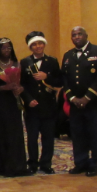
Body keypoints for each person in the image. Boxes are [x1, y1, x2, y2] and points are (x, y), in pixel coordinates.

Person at [62, 26, 97, 176]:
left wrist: (87, 97)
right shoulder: (68, 55)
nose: (77, 37)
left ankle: (95, 163)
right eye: (74, 35)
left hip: (94, 102)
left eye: (79, 34)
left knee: (96, 134)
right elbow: (65, 79)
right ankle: (81, 162)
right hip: (76, 104)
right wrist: (72, 98)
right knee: (78, 134)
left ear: (86, 35)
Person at [20, 31, 61, 174]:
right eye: (35, 44)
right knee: (32, 137)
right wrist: (28, 99)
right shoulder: (25, 62)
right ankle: (32, 163)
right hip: (32, 106)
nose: (38, 46)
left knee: (48, 137)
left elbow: (59, 81)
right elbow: (21, 85)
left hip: (48, 105)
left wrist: (47, 76)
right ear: (30, 47)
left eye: (40, 43)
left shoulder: (52, 61)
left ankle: (46, 163)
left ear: (44, 44)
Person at [0, 38, 31, 177]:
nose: (6, 50)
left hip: (14, 103)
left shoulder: (18, 64)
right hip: (0, 104)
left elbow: (25, 83)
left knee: (15, 134)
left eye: (9, 47)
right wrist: (5, 87)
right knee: (2, 133)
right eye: (3, 48)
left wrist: (20, 88)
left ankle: (17, 165)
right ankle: (2, 166)